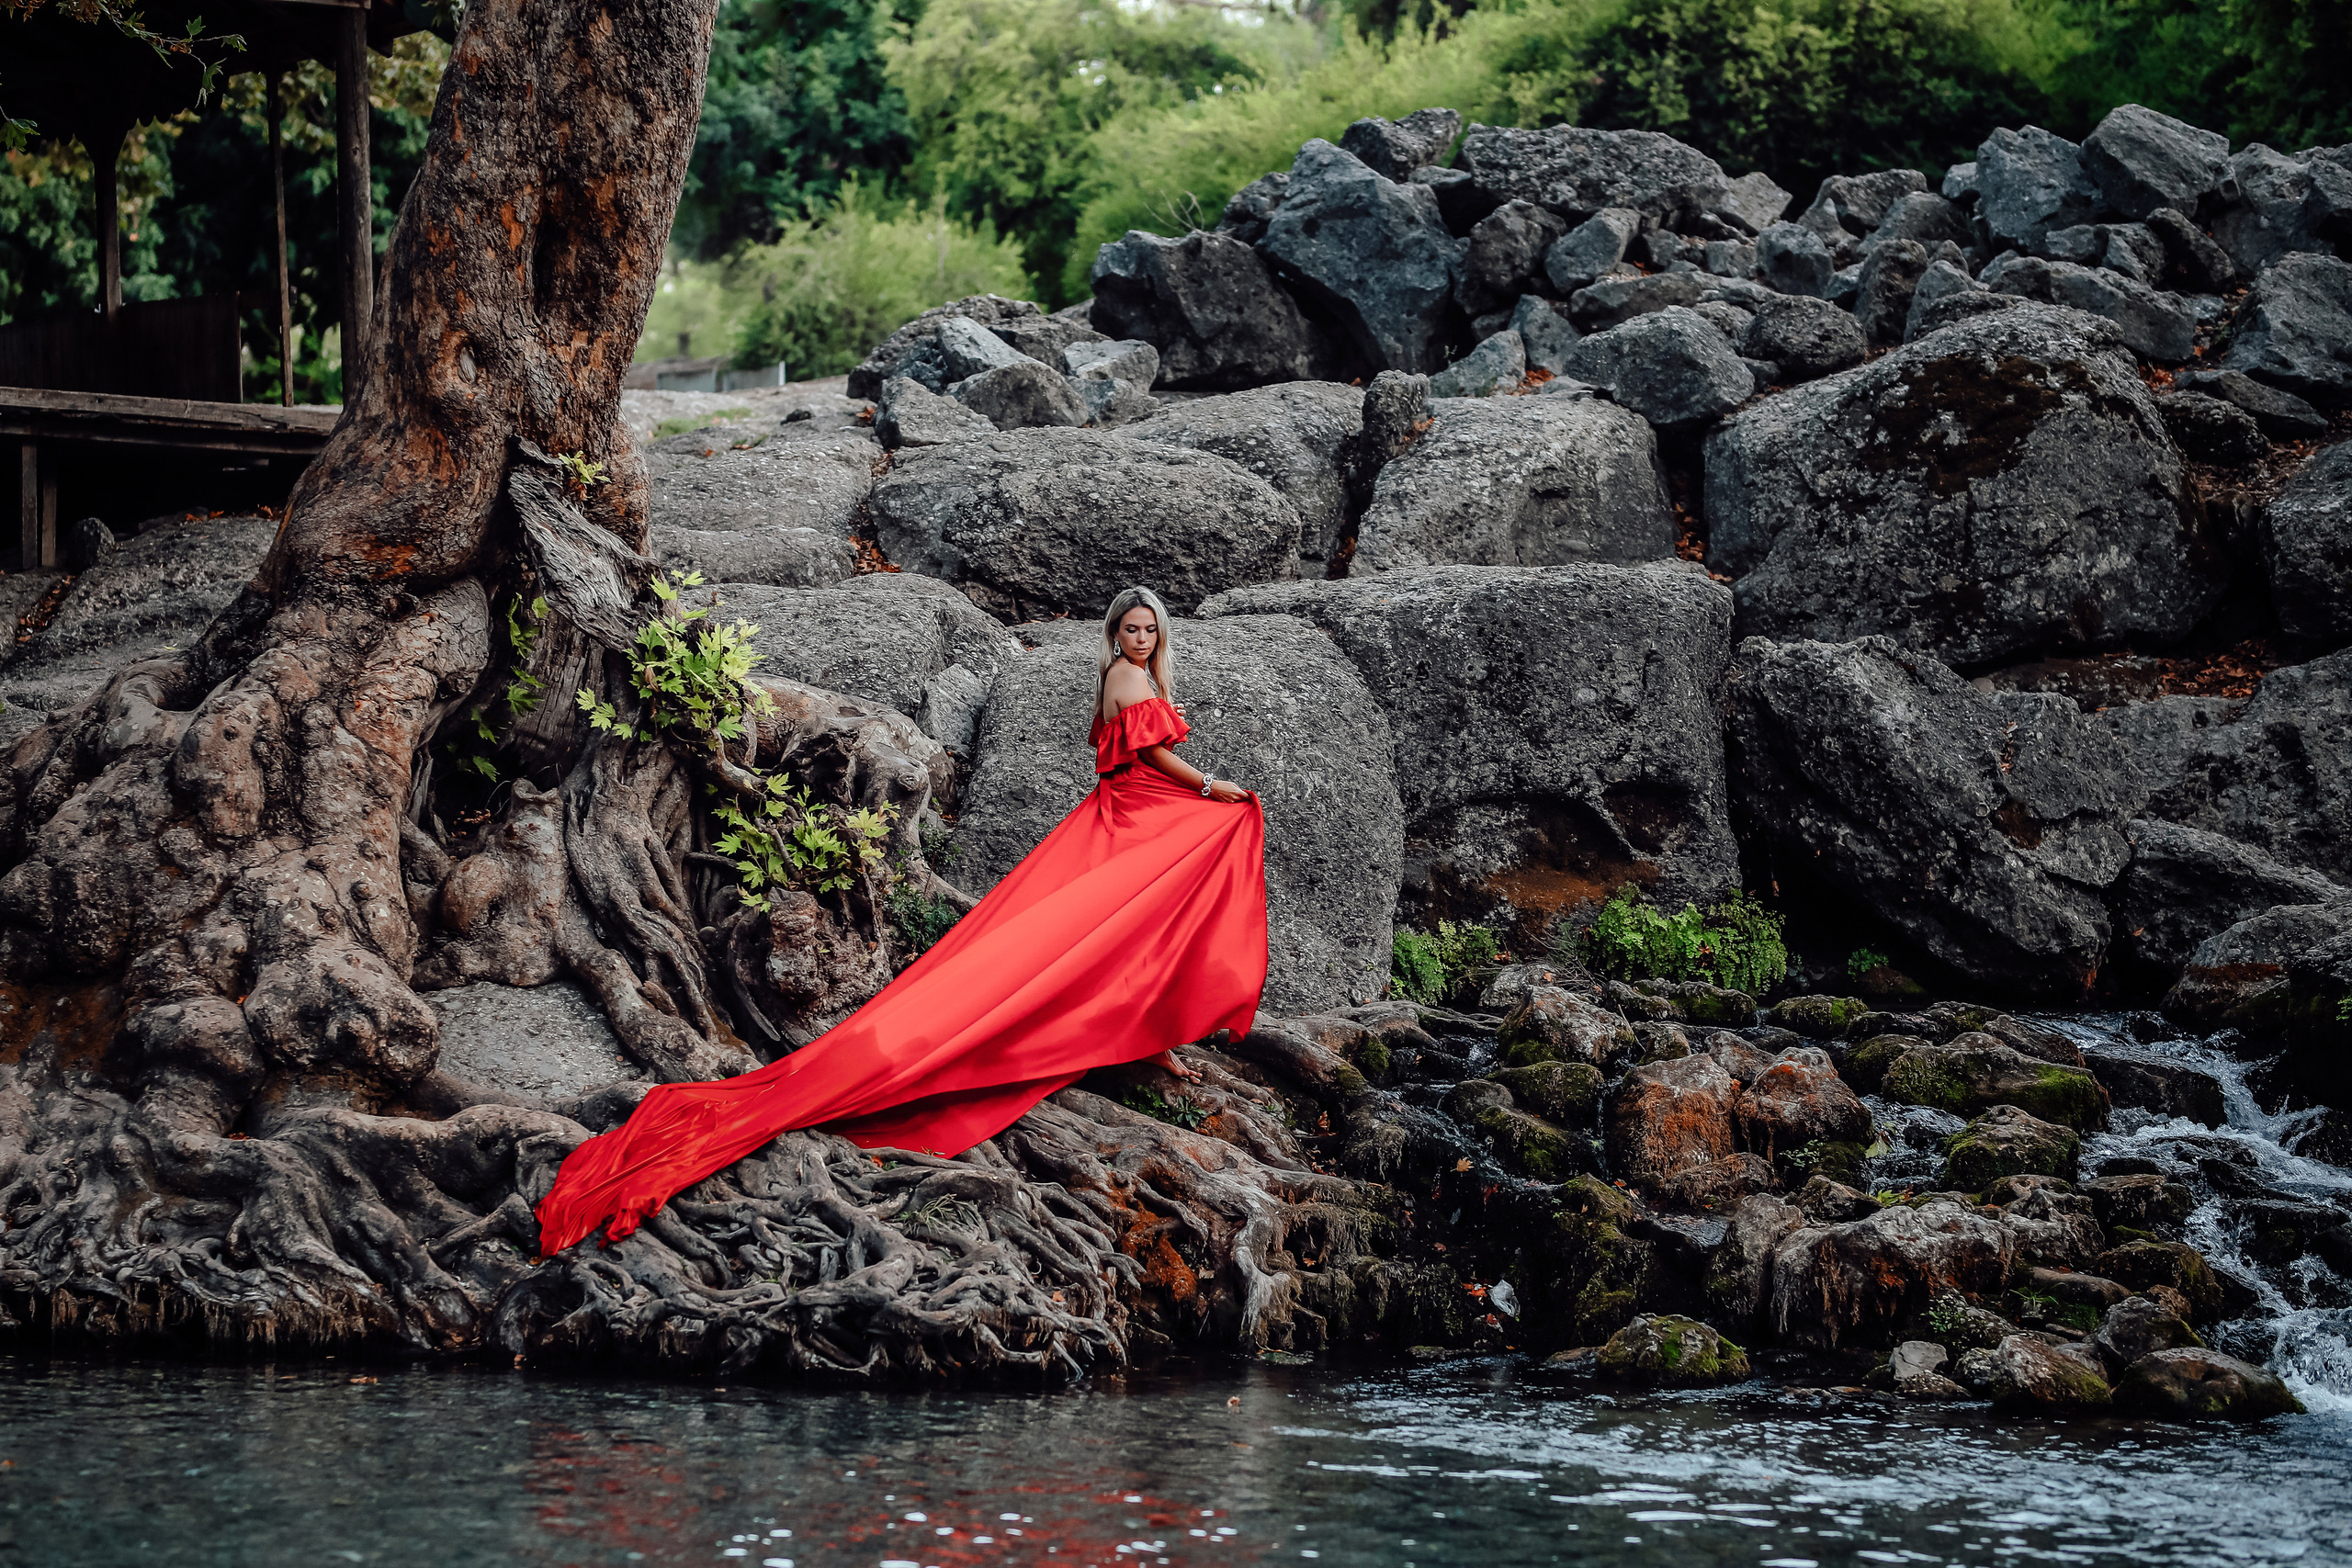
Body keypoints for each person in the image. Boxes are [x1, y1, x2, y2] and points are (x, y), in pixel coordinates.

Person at [534, 585, 1268, 1253]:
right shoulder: (1127, 677)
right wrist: (1214, 785)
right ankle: (1134, 1026)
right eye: (1131, 628)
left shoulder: (1128, 675)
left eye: (1149, 629)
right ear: (1115, 634)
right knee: (1132, 901)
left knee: (1108, 926)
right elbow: (1157, 758)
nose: (1140, 638)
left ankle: (1142, 1030)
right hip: (1132, 816)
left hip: (1123, 815)